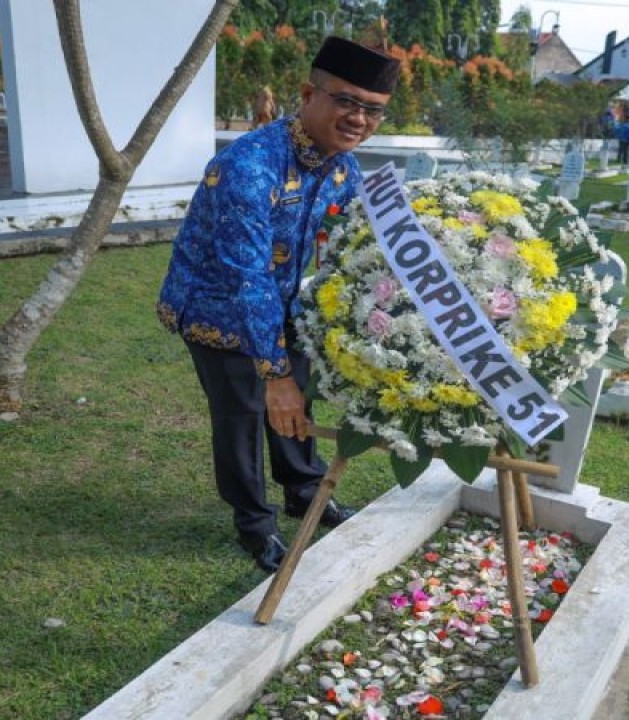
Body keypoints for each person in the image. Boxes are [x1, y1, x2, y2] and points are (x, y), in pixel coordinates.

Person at [157, 37, 400, 572]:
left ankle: (304, 491)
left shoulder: (342, 165)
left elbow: (360, 244)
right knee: (245, 410)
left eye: (373, 110)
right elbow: (246, 279)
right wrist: (275, 375)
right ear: (309, 93)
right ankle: (254, 524)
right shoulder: (249, 166)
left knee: (300, 398)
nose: (358, 118)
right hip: (215, 306)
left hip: (287, 299)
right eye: (345, 101)